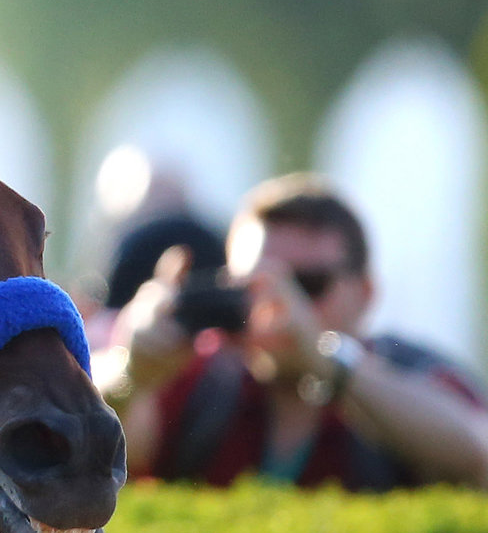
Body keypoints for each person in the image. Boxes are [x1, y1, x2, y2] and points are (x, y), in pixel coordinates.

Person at [102, 174, 488, 490]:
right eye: (255, 283)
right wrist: (131, 372)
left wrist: (325, 359)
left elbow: (476, 452)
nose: (282, 305)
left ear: (366, 294)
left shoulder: (408, 373)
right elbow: (104, 442)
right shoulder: (203, 376)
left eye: (309, 285)